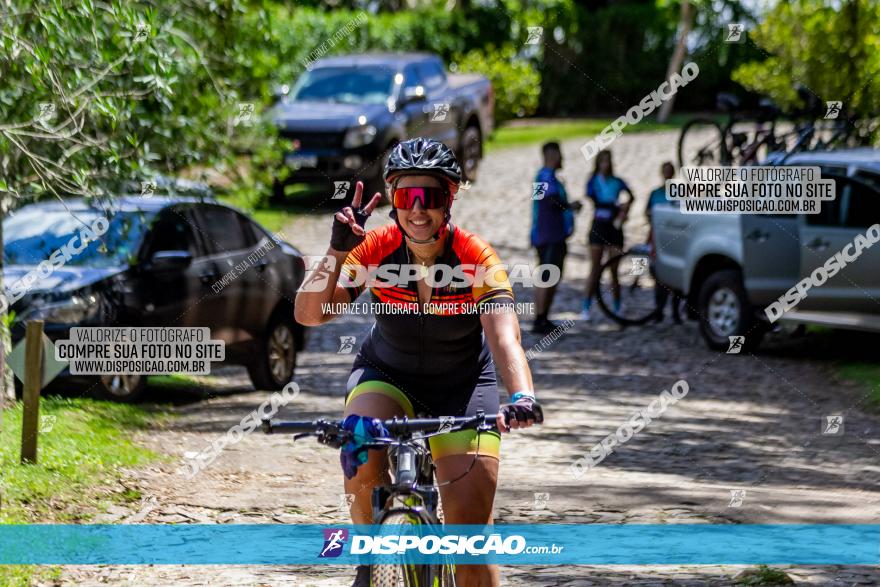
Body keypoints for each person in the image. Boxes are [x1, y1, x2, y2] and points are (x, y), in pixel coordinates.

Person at [295, 138, 543, 587]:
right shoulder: (375, 249)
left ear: (449, 199)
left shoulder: (474, 255)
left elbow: (504, 335)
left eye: (430, 197)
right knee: (358, 444)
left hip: (463, 385)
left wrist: (523, 395)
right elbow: (310, 314)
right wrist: (335, 251)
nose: (418, 210)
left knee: (471, 542)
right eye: (407, 197)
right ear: (393, 200)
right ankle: (372, 561)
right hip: (387, 377)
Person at [530, 141, 581, 334]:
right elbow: (548, 202)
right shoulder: (544, 176)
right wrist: (570, 206)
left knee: (551, 276)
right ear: (551, 155)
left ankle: (543, 317)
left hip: (552, 235)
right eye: (559, 154)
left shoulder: (547, 178)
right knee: (546, 276)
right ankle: (539, 318)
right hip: (548, 236)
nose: (562, 158)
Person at [581, 149, 633, 320]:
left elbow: (630, 196)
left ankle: (617, 304)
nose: (605, 164)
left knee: (614, 269)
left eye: (608, 161)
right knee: (594, 268)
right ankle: (586, 305)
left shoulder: (617, 182)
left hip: (613, 226)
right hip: (599, 225)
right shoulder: (593, 181)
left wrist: (624, 211)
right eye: (602, 161)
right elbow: (591, 198)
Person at [645, 161, 683, 323]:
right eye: (665, 171)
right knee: (658, 275)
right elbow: (647, 212)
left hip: (674, 237)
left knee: (675, 274)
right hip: (657, 236)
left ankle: (675, 311)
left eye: (670, 171)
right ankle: (659, 310)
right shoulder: (655, 193)